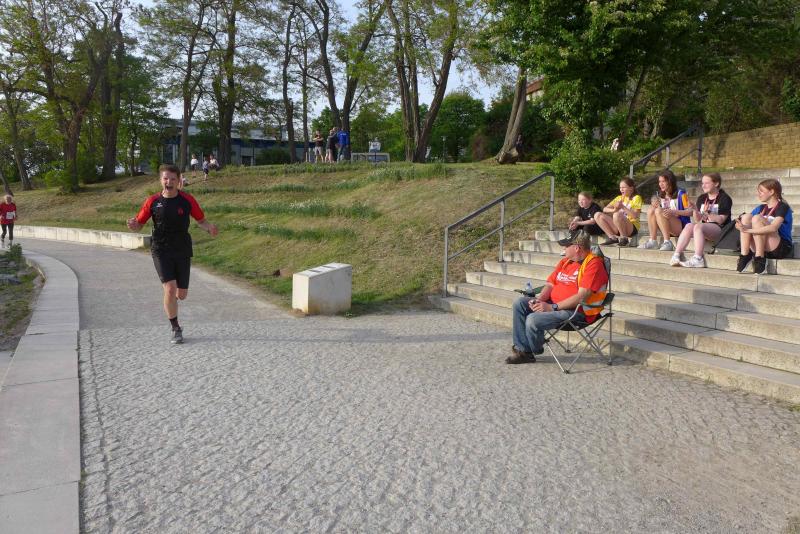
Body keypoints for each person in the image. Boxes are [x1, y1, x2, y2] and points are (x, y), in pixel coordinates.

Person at [127, 164, 218, 344]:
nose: (168, 182)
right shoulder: (152, 201)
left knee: (181, 294)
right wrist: (133, 225)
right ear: (161, 180)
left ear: (178, 181)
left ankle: (173, 299)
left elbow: (201, 220)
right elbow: (139, 224)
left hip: (182, 248)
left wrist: (210, 228)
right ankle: (176, 328)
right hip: (160, 249)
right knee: (170, 289)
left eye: (172, 179)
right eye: (165, 178)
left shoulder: (187, 200)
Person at [508, 233, 609, 364]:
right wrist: (541, 300)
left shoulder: (593, 264)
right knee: (519, 303)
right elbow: (550, 284)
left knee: (533, 319)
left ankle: (531, 350)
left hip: (577, 312)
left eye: (566, 246)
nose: (563, 249)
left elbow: (581, 296)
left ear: (576, 248)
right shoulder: (565, 261)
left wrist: (551, 307)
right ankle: (524, 351)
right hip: (553, 305)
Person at [669, 172, 732, 268]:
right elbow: (697, 219)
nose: (703, 186)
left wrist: (707, 213)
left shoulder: (724, 198)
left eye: (707, 183)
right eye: (702, 183)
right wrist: (695, 209)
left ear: (716, 183)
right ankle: (676, 255)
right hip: (704, 227)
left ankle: (698, 258)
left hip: (720, 229)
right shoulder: (702, 198)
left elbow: (721, 220)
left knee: (698, 227)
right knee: (689, 225)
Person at [735, 178, 794, 274]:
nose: (758, 194)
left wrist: (747, 230)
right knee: (746, 217)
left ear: (771, 192)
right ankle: (745, 255)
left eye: (761, 191)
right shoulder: (760, 208)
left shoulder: (783, 207)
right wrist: (739, 226)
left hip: (779, 247)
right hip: (761, 246)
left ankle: (760, 257)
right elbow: (745, 223)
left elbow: (773, 228)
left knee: (757, 218)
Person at [638, 170, 691, 251]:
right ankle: (653, 241)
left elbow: (690, 212)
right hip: (667, 225)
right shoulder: (661, 195)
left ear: (670, 181)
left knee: (659, 211)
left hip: (681, 226)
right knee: (651, 209)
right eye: (659, 181)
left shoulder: (681, 193)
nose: (661, 184)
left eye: (663, 181)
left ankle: (667, 242)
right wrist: (655, 205)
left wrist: (673, 212)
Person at [593, 177, 643, 246]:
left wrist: (622, 207)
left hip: (631, 227)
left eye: (623, 187)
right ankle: (612, 238)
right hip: (618, 226)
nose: (621, 189)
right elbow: (605, 209)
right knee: (597, 215)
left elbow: (635, 216)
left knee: (617, 214)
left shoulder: (637, 198)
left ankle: (624, 238)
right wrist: (614, 210)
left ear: (631, 188)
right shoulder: (619, 198)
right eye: (620, 187)